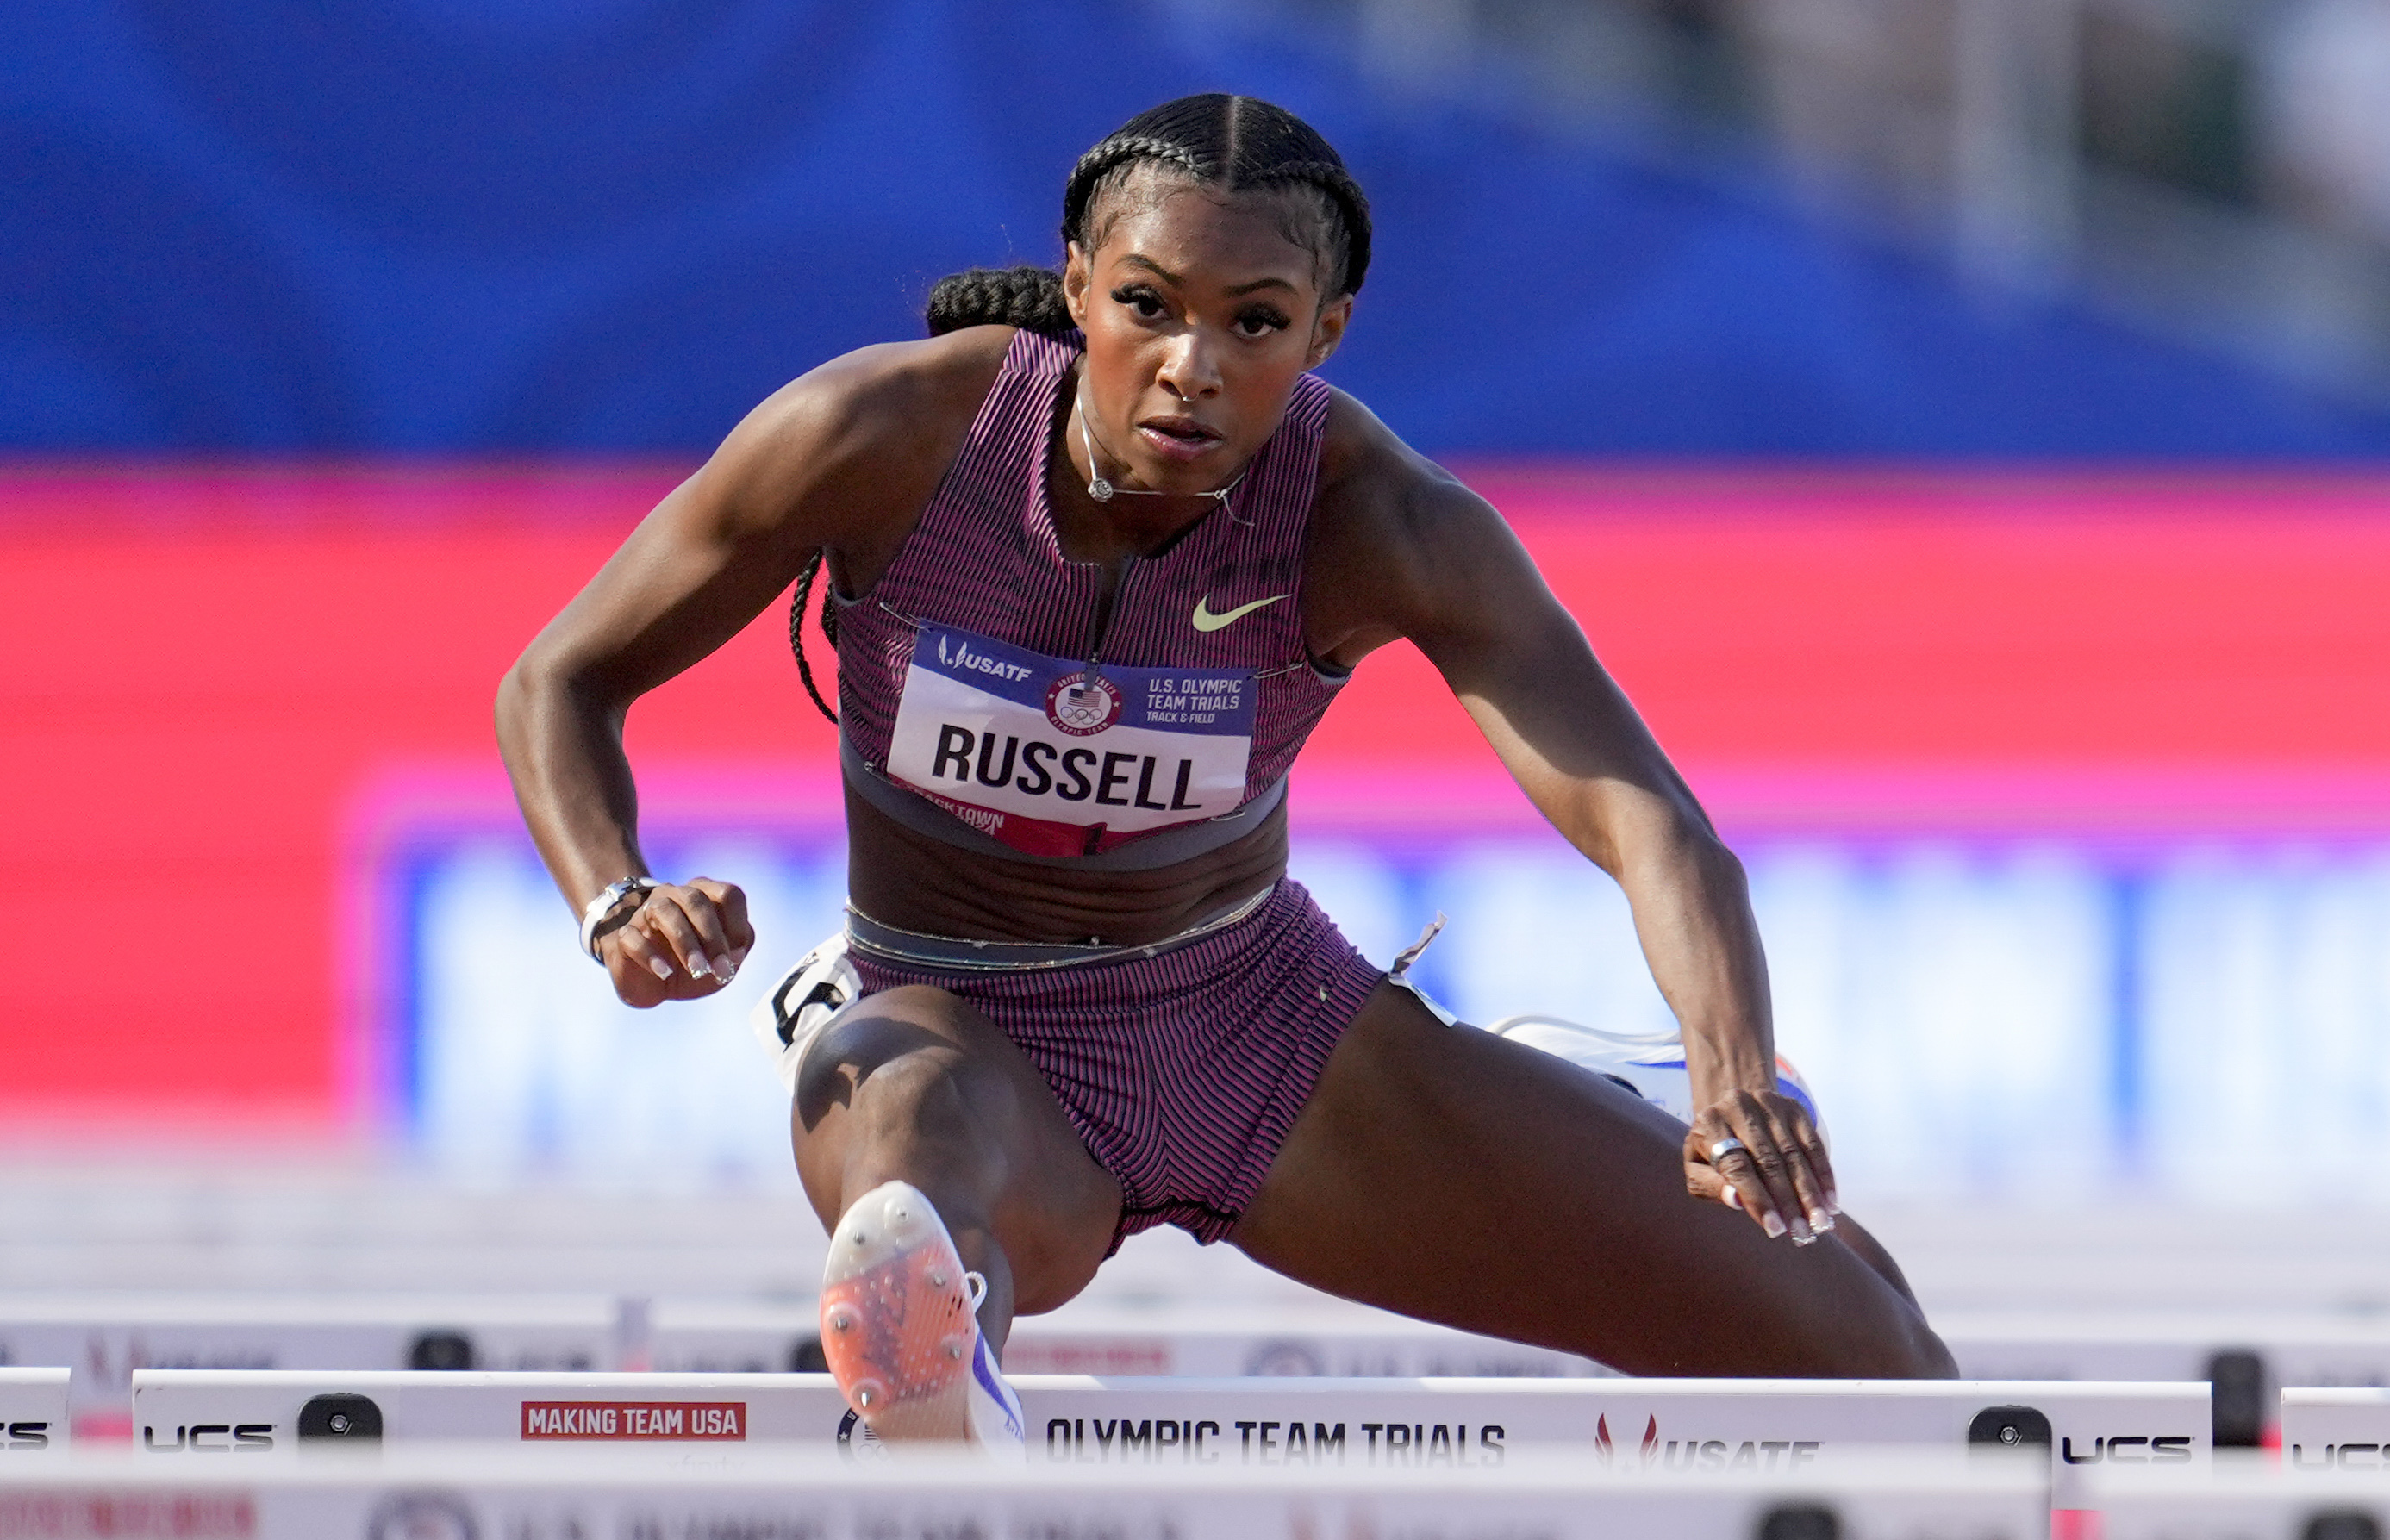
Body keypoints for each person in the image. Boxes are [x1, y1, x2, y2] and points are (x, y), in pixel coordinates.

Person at [496, 92, 1954, 1452]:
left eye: (1252, 323)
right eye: (1148, 307)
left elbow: (1649, 821)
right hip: (957, 1017)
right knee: (907, 1179)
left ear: (1323, 331)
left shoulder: (1379, 518)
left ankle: (1599, 1099)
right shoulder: (880, 438)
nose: (1192, 367)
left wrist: (1729, 1076)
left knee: (1874, 1354)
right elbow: (558, 678)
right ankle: (940, 1421)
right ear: (1077, 288)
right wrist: (612, 894)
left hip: (1267, 1031)